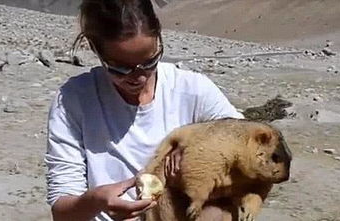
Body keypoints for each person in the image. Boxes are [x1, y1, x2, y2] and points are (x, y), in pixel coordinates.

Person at [44, 0, 244, 220]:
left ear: (159, 38)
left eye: (149, 62)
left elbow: (244, 143)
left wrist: (195, 145)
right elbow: (62, 212)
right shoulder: (74, 100)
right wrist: (96, 201)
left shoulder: (192, 90)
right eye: (121, 68)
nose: (139, 77)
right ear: (94, 48)